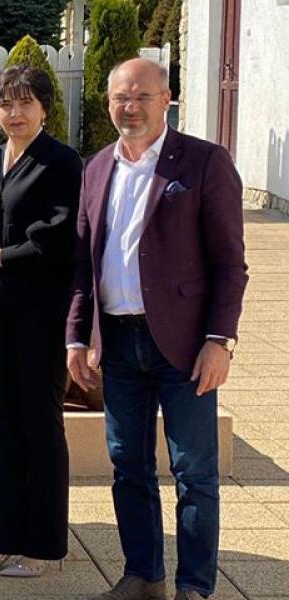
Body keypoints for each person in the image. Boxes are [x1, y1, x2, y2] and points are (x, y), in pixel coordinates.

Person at [69, 58, 247, 600]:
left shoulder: (204, 162)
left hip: (186, 345)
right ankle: (143, 576)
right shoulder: (96, 168)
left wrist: (219, 340)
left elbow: (230, 265)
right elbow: (83, 264)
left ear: (166, 99)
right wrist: (76, 336)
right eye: (121, 97)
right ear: (108, 102)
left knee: (194, 472)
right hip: (118, 343)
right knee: (128, 466)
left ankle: (194, 587)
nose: (131, 107)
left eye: (143, 96)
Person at [0, 65, 81, 578]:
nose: (15, 113)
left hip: (42, 313)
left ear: (45, 108)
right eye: (6, 103)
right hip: (1, 312)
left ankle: (43, 547)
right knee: (6, 426)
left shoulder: (61, 161)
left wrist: (2, 258)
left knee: (40, 425)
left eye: (26, 102)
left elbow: (61, 237)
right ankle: (1, 541)